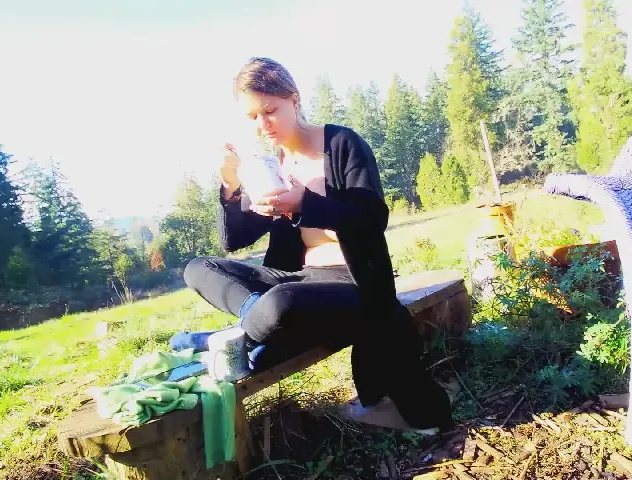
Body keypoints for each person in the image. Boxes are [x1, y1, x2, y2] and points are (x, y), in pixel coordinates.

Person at [169, 57, 452, 431]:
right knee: (199, 269)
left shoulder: (341, 144)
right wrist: (230, 185)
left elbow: (371, 218)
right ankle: (252, 330)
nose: (263, 124)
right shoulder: (271, 167)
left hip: (353, 282)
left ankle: (230, 339)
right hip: (297, 279)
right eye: (252, 117)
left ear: (294, 99)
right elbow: (232, 240)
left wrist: (303, 204)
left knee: (281, 303)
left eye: (270, 110)